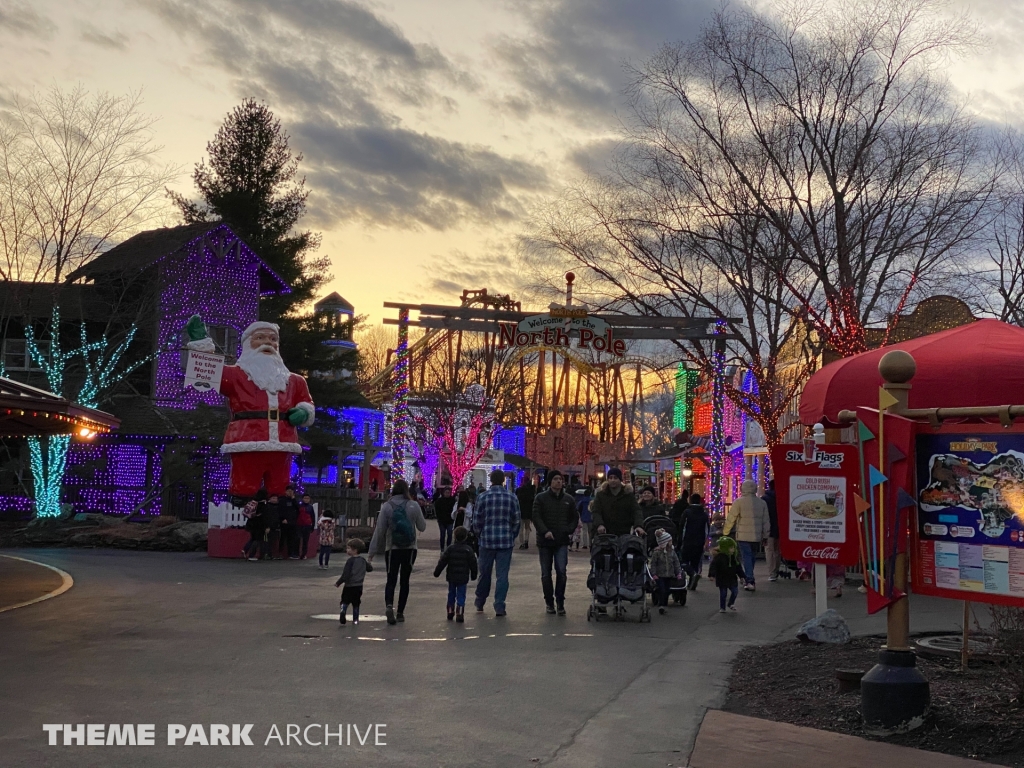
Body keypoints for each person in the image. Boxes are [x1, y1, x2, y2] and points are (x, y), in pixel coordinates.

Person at [184, 318, 315, 503]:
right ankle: (241, 519)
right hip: (247, 440)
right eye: (260, 338)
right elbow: (208, 373)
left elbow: (306, 402)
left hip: (283, 443)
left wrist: (304, 412)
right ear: (248, 344)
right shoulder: (235, 375)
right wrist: (201, 346)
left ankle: (278, 519)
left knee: (280, 488)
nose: (267, 343)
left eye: (272, 339)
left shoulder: (295, 381)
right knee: (244, 486)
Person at [368, 479, 427, 625]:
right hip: (410, 549)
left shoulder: (387, 506)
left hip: (392, 548)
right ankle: (400, 612)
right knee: (405, 580)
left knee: (391, 579)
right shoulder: (413, 505)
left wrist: (372, 551)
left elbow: (380, 530)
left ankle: (389, 605)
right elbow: (422, 527)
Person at [471, 469, 521, 617]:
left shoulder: (482, 497)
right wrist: (512, 535)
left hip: (487, 540)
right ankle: (499, 605)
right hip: (505, 541)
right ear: (503, 481)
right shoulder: (511, 497)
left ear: (491, 480)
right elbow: (516, 520)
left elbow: (477, 520)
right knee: (502, 575)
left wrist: (479, 534)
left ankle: (480, 601)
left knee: (484, 573)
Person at [531, 470, 579, 615]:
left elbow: (574, 518)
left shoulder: (568, 499)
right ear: (550, 482)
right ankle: (549, 602)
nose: (559, 481)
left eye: (560, 479)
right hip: (545, 541)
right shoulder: (541, 498)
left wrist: (568, 530)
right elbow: (536, 516)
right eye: (556, 479)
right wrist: (545, 531)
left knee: (561, 572)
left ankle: (560, 601)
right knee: (546, 574)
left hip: (561, 540)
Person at [723, 480, 770, 591]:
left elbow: (731, 518)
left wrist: (725, 532)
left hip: (743, 535)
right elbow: (766, 521)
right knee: (751, 557)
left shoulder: (739, 502)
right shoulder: (762, 503)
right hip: (757, 535)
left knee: (746, 556)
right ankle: (749, 576)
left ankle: (749, 579)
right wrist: (766, 535)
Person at [434, 526, 478, 622]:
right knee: (461, 595)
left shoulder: (450, 549)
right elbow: (473, 563)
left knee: (451, 593)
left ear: (454, 536)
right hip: (463, 577)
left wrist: (437, 572)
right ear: (466, 537)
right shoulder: (468, 550)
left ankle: (450, 611)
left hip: (451, 576)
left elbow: (443, 561)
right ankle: (460, 612)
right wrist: (474, 575)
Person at [590, 467, 644, 537]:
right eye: (610, 478)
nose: (613, 480)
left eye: (615, 478)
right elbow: (596, 512)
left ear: (620, 480)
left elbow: (636, 511)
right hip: (605, 533)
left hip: (624, 532)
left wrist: (638, 526)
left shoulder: (628, 495)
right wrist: (599, 524)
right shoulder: (601, 495)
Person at [335, 538, 373, 625]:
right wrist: (369, 562)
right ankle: (355, 620)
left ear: (355, 550)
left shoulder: (350, 561)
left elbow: (346, 574)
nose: (346, 550)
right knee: (356, 603)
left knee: (345, 600)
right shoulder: (363, 560)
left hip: (349, 585)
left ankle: (343, 610)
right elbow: (370, 569)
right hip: (359, 586)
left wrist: (339, 582)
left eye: (348, 548)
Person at [677, 493, 710, 590]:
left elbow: (682, 528)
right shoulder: (704, 514)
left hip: (688, 541)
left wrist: (679, 543)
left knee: (683, 561)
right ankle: (693, 581)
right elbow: (706, 530)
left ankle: (692, 574)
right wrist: (705, 542)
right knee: (695, 562)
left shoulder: (687, 512)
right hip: (699, 542)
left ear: (690, 500)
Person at [649, 530, 682, 614]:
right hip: (660, 575)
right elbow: (653, 564)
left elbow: (676, 563)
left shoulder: (672, 552)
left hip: (669, 575)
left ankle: (665, 605)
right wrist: (654, 574)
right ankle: (661, 605)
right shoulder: (657, 553)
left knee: (667, 590)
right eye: (669, 541)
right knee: (662, 589)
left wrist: (678, 572)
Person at [709, 536, 745, 612]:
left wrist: (742, 576)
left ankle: (731, 603)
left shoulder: (734, 558)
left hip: (732, 578)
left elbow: (738, 568)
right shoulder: (718, 558)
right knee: (723, 594)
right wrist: (712, 575)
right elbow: (713, 566)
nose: (733, 549)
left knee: (735, 591)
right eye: (731, 548)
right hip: (722, 578)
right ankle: (722, 607)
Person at [762, 480, 781, 582]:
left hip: (768, 528)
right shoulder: (781, 498)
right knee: (777, 550)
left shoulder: (764, 499)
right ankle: (776, 570)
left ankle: (772, 572)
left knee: (769, 550)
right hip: (779, 527)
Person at [243, 490, 268, 560]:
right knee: (257, 539)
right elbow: (264, 515)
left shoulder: (253, 501)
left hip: (251, 523)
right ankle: (251, 555)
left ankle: (245, 549)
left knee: (253, 538)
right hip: (259, 524)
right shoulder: (262, 504)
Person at [515, 475, 537, 550]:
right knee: (527, 528)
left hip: (521, 511)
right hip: (528, 512)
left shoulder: (519, 490)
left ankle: (522, 543)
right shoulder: (531, 491)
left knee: (521, 528)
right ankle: (526, 541)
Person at [433, 485, 456, 550]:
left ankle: (448, 547)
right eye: (446, 492)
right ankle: (442, 548)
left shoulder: (452, 500)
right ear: (443, 493)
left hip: (450, 520)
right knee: (442, 534)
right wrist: (438, 517)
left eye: (448, 493)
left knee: (449, 534)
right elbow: (437, 510)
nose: (447, 494)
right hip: (442, 521)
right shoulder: (439, 501)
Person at [297, 492, 316, 560]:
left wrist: (313, 526)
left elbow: (313, 517)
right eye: (305, 498)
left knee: (305, 541)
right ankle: (297, 553)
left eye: (307, 498)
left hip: (307, 525)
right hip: (299, 525)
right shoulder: (299, 506)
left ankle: (303, 554)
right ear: (302, 499)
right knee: (298, 539)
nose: (306, 499)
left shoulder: (310, 507)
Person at [264, 494, 282, 560]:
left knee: (274, 541)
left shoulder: (278, 507)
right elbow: (266, 517)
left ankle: (272, 554)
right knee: (268, 542)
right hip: (269, 527)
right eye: (273, 498)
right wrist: (267, 526)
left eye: (275, 498)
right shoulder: (267, 507)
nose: (274, 500)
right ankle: (267, 554)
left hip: (276, 526)